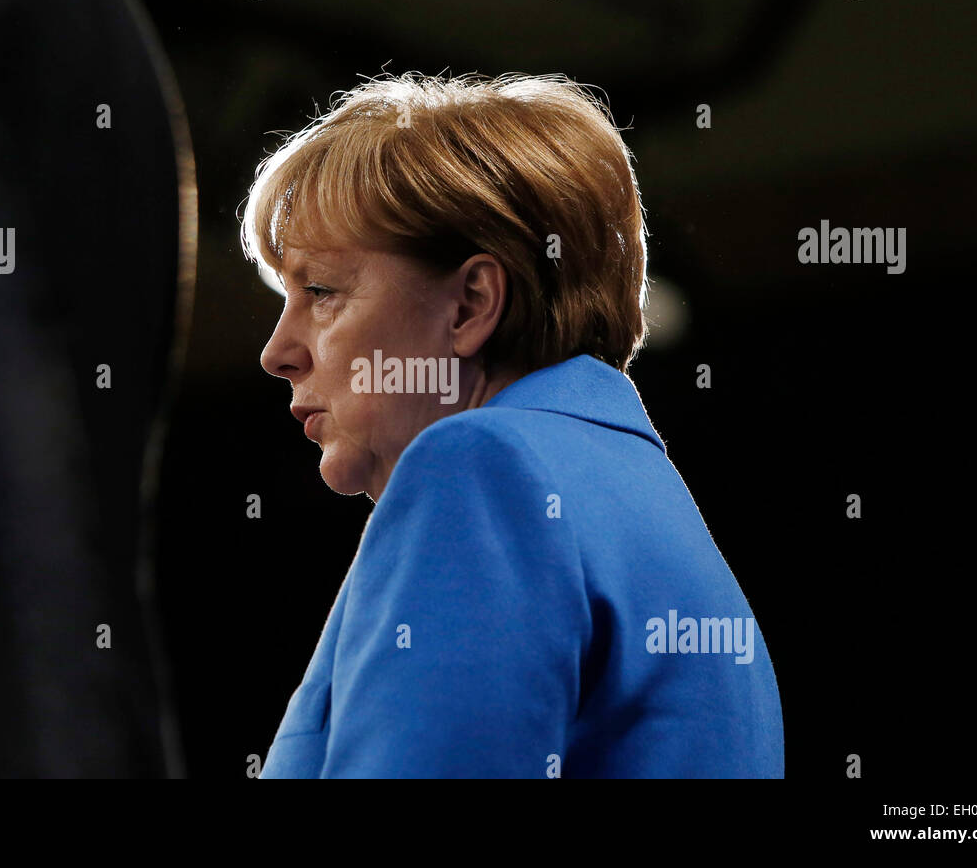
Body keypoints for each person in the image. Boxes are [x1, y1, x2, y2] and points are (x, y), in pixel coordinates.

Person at [241, 72, 784, 778]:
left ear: (469, 305)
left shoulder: (481, 470)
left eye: (320, 291)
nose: (277, 352)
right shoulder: (639, 499)